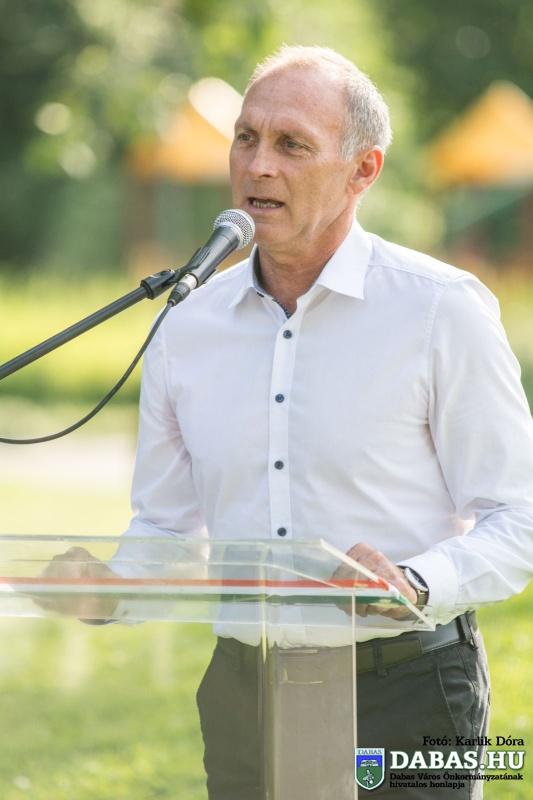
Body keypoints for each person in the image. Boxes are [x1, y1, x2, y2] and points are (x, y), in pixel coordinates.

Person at [45, 45, 533, 798]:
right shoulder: (186, 323)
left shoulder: (440, 309)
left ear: (363, 170)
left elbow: (518, 518)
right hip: (243, 695)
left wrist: (414, 582)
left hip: (406, 692)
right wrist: (108, 592)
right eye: (246, 138)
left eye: (291, 144)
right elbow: (168, 527)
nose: (258, 165)